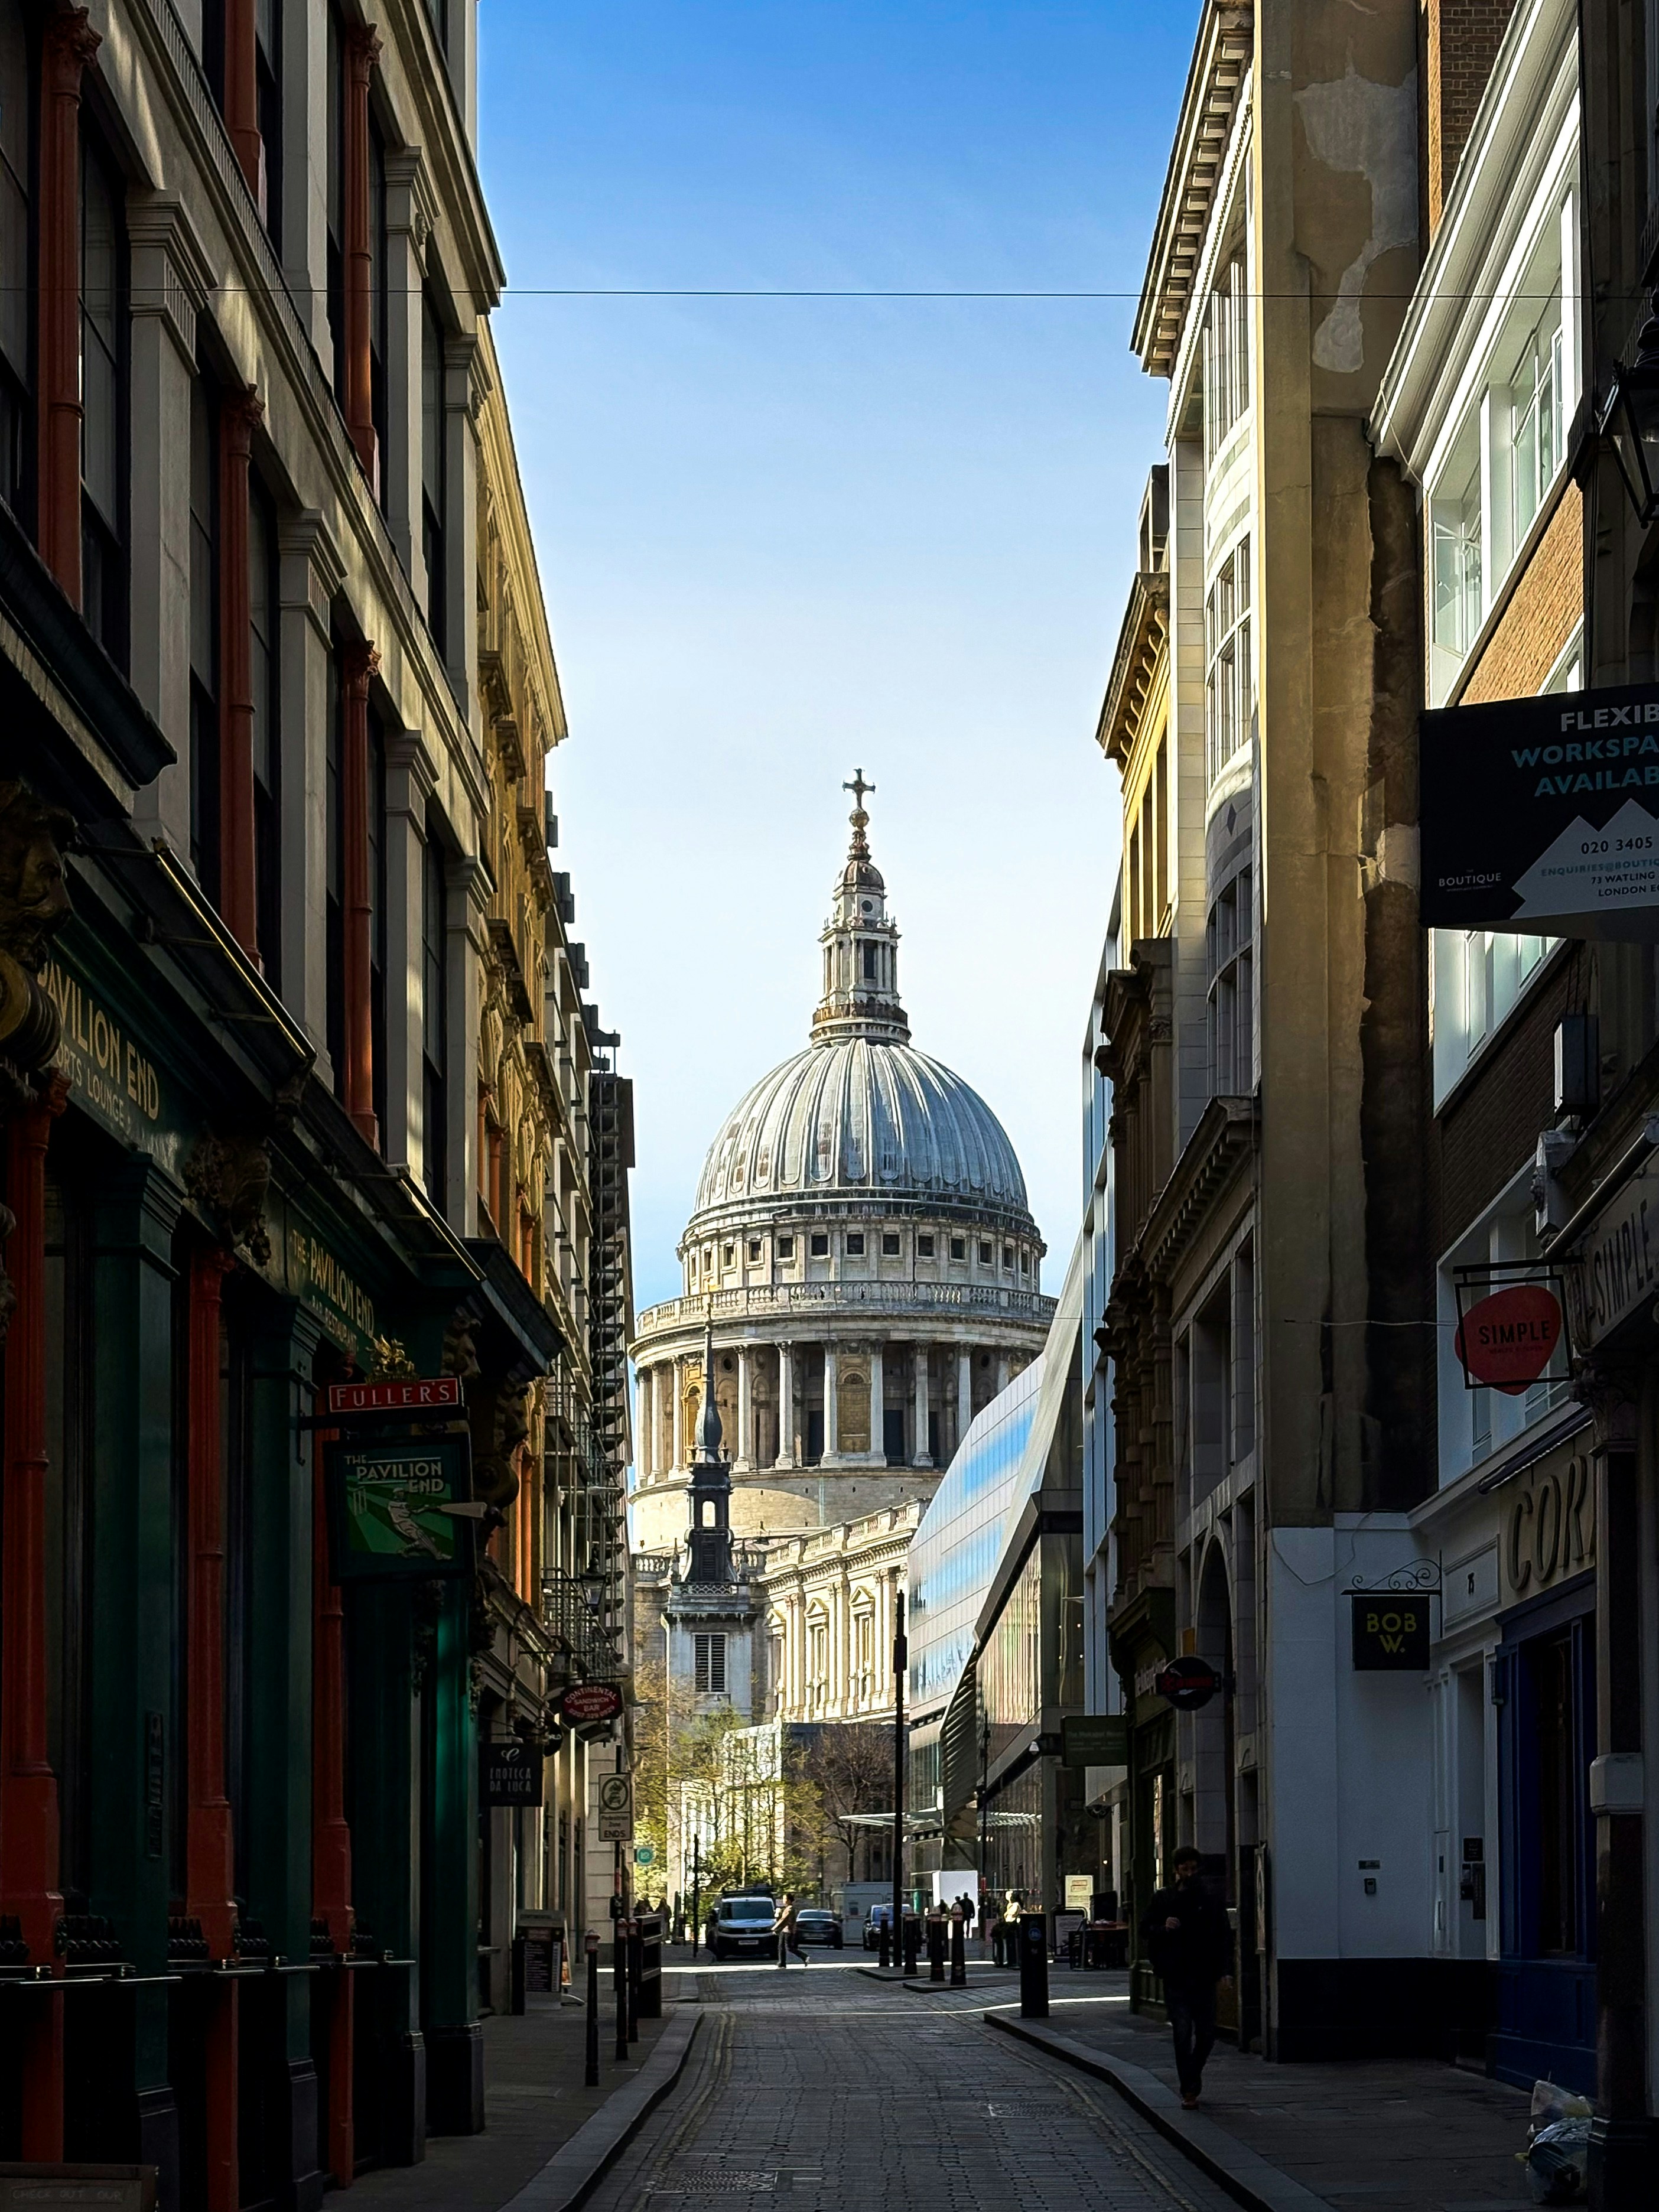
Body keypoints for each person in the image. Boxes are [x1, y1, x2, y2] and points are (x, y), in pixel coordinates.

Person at [1139, 1846, 1233, 2108]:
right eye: (1185, 1869)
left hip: (1203, 1975)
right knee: (1182, 2032)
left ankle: (1192, 2074)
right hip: (1177, 1976)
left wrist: (1225, 1970)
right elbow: (1145, 1929)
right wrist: (1163, 1927)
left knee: (1206, 2034)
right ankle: (1189, 2089)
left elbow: (1223, 1936)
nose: (1190, 1874)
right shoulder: (1164, 1899)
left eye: (1193, 1869)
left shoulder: (1210, 1899)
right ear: (1176, 1870)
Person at [772, 1892, 809, 1969]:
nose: (783, 1900)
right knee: (781, 1947)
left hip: (788, 1930)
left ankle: (804, 1957)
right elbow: (780, 1918)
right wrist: (777, 1913)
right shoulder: (786, 1908)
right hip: (784, 1930)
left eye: (785, 1899)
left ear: (789, 1900)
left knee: (789, 1948)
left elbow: (784, 1920)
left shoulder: (790, 1909)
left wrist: (775, 1929)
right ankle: (782, 1964)